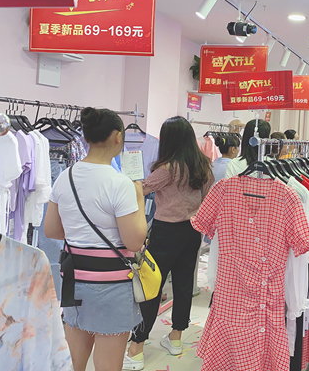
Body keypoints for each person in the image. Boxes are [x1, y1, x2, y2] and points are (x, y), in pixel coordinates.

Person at [44, 108, 148, 371]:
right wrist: (139, 198)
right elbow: (134, 242)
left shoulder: (66, 177)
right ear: (117, 137)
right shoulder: (120, 183)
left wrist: (82, 235)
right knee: (108, 365)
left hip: (74, 279)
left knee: (73, 362)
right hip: (112, 284)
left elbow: (51, 230)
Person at [124, 117, 214, 370]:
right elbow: (207, 197)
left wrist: (132, 178)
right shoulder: (203, 164)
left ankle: (137, 348)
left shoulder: (169, 167)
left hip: (166, 232)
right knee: (184, 285)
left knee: (151, 285)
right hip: (192, 230)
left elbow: (141, 189)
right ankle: (176, 338)